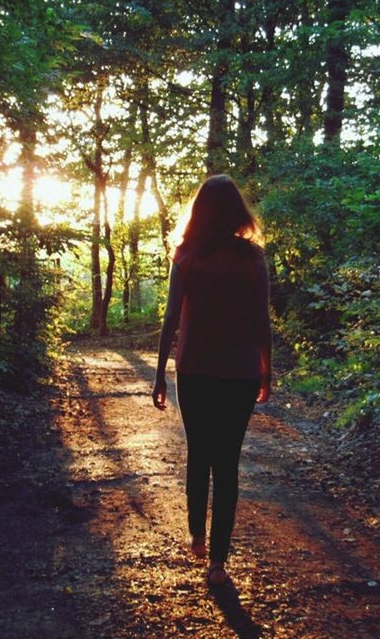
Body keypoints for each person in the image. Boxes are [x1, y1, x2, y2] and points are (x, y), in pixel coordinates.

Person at [152, 174, 271, 587]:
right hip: (239, 372)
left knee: (199, 451)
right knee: (227, 461)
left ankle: (197, 536)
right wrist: (266, 369)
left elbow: (170, 320)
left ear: (199, 211)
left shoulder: (187, 256)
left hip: (194, 370)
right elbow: (262, 321)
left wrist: (159, 376)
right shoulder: (252, 258)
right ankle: (217, 562)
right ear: (237, 210)